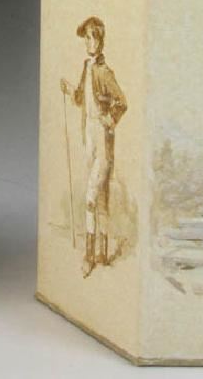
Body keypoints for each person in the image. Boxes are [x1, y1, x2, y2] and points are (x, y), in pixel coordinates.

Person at [61, 16, 127, 277]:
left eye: (91, 37)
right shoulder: (86, 66)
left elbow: (122, 102)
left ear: (100, 40)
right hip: (88, 136)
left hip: (101, 136)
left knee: (92, 196)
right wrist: (69, 90)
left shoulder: (104, 71)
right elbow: (81, 98)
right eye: (86, 38)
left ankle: (89, 256)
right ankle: (102, 253)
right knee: (100, 198)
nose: (88, 42)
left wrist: (109, 119)